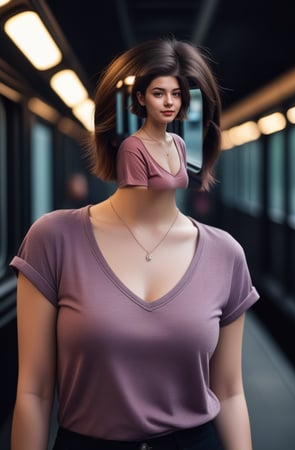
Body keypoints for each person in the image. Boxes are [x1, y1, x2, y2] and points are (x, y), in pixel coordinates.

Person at [10, 37, 259, 450]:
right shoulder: (53, 240)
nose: (170, 103)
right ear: (139, 100)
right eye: (160, 93)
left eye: (178, 95)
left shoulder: (225, 254)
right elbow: (33, 393)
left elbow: (230, 393)